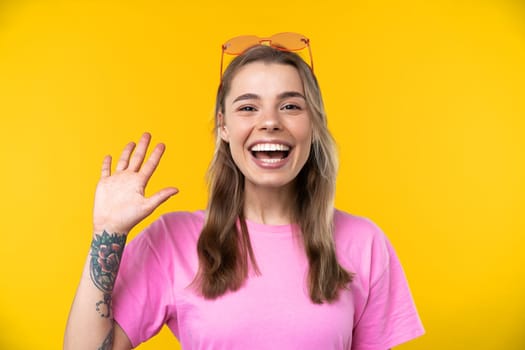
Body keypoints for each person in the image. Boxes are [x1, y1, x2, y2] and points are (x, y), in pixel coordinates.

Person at [64, 33, 425, 350]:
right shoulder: (173, 241)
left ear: (313, 125)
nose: (269, 121)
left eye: (290, 106)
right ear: (223, 126)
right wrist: (107, 233)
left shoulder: (365, 243)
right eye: (248, 107)